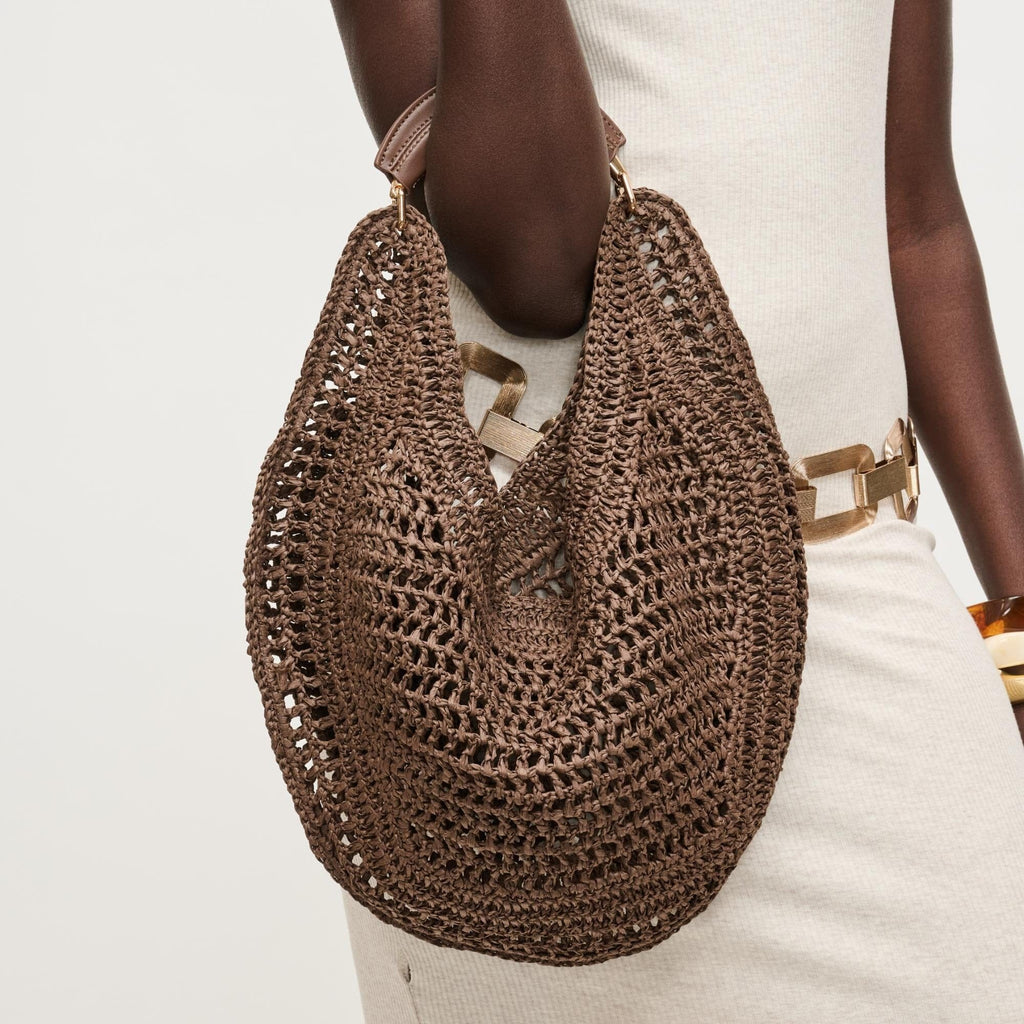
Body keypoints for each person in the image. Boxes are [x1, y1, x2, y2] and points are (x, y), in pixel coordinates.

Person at [329, 2, 1024, 1020]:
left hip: (863, 583)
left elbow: (913, 221)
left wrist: (1019, 625)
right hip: (549, 669)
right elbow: (537, 264)